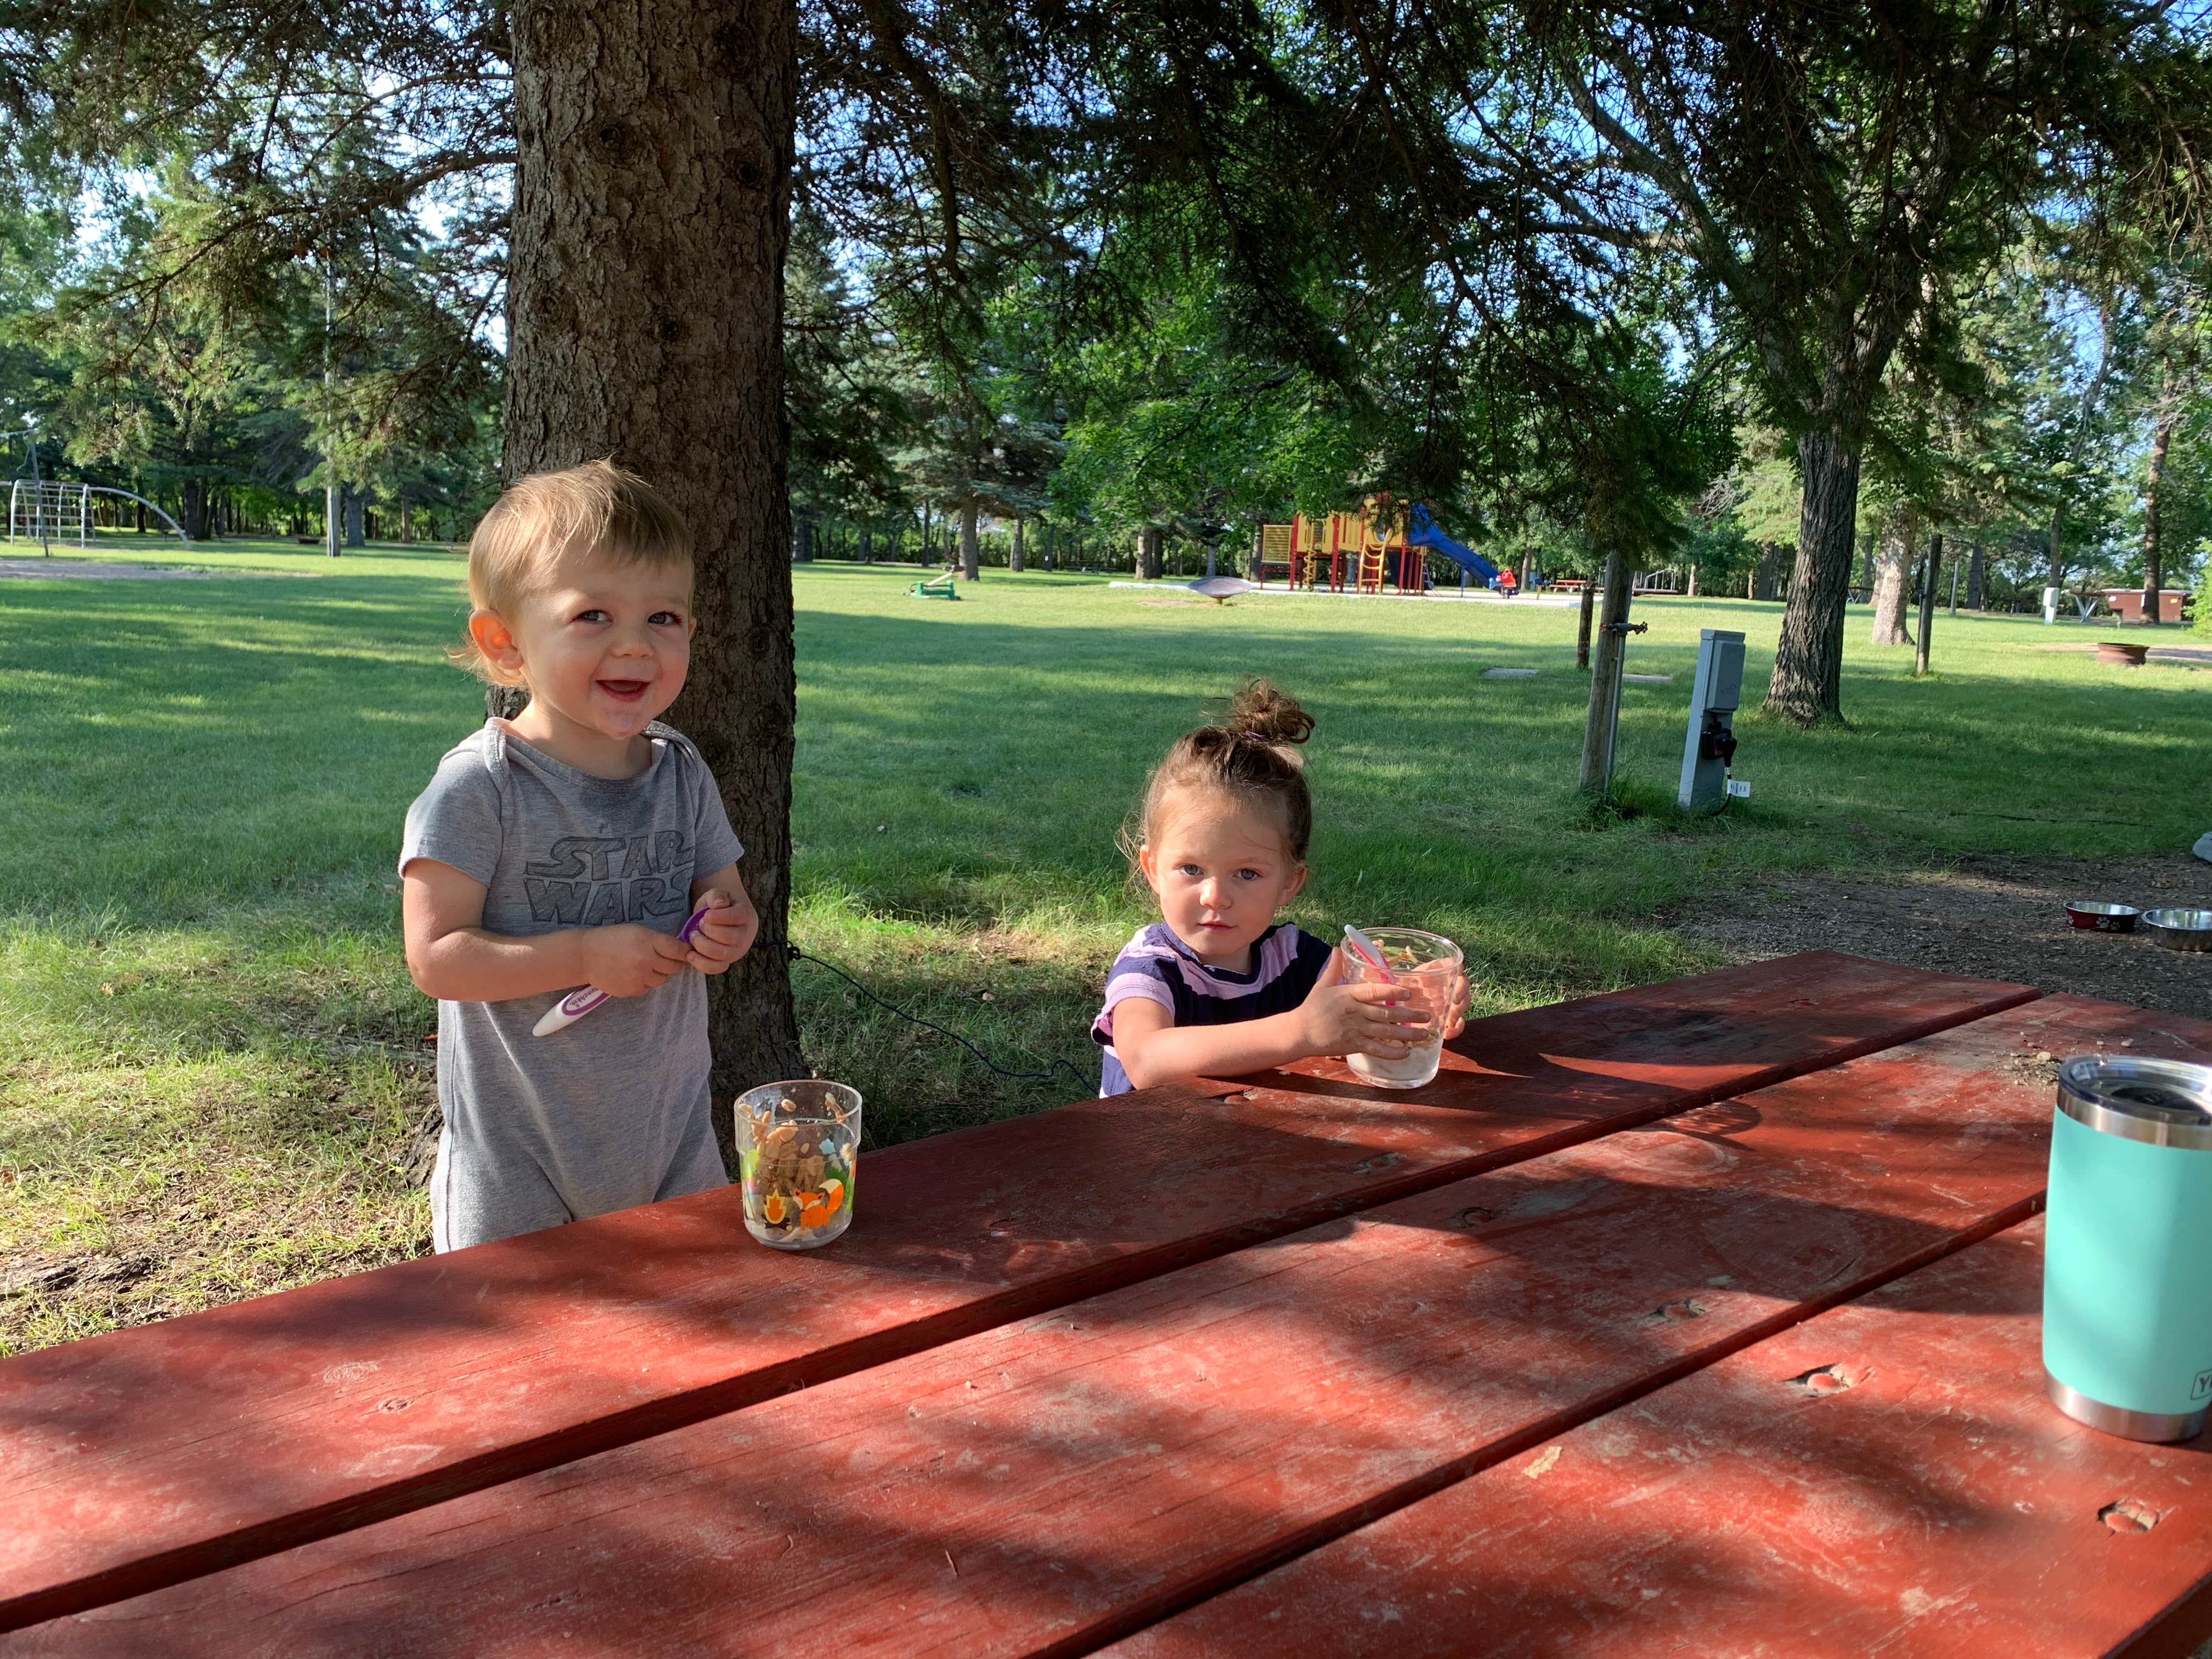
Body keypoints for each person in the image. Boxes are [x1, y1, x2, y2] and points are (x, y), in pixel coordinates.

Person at [399, 460, 760, 1251]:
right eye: (592, 614)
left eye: (664, 617)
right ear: (505, 644)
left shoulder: (682, 770)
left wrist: (730, 930)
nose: (635, 644)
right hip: (519, 1161)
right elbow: (436, 959)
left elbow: (727, 901)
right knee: (525, 1355)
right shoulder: (480, 788)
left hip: (672, 1141)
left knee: (692, 1321)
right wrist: (588, 954)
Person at [1092, 681, 1467, 1096]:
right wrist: (1301, 1031)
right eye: (1191, 868)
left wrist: (1414, 1000)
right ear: (1153, 869)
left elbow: (1355, 1017)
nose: (1214, 896)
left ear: (1290, 882)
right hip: (1150, 1149)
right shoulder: (1149, 967)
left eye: (1247, 873)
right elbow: (1147, 1060)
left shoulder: (1292, 957)